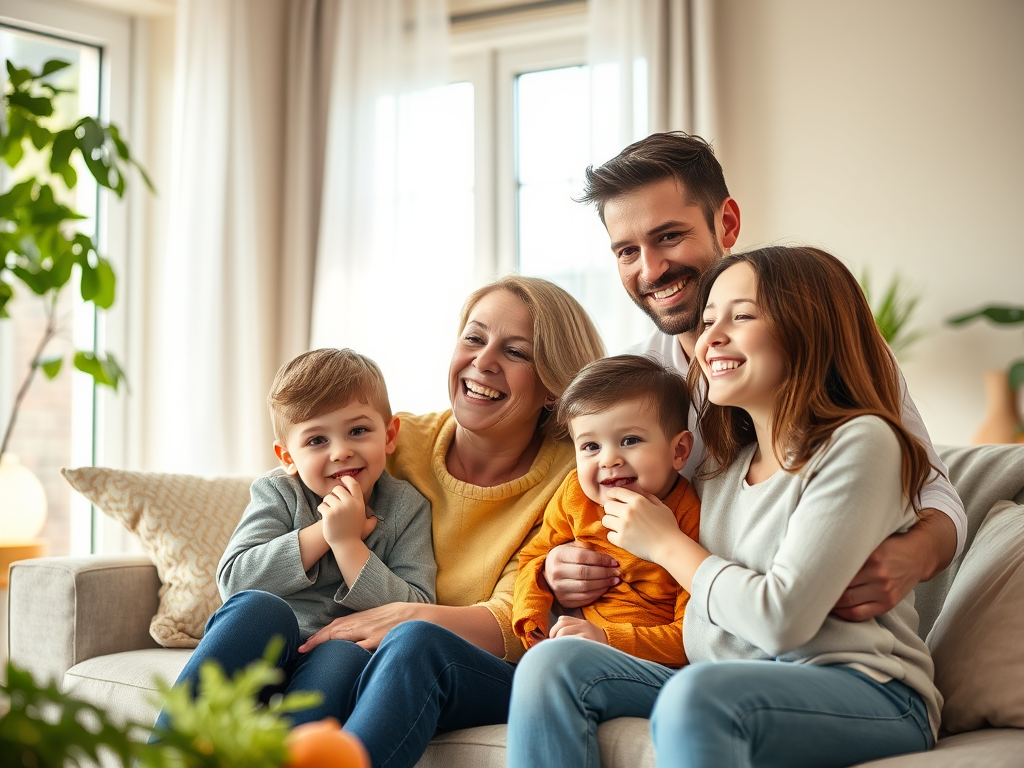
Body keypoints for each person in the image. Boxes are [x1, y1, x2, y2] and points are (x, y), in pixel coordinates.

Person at [545, 131, 966, 623]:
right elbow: (593, 507)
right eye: (626, 252)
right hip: (682, 629)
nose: (651, 269)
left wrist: (911, 557)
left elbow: (931, 490)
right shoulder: (635, 383)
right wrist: (561, 568)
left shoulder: (826, 356)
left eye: (669, 237)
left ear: (726, 223)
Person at [641, 246, 939, 765]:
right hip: (733, 680)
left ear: (809, 328)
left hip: (871, 691)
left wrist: (670, 546)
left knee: (697, 697)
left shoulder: (862, 443)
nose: (709, 338)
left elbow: (782, 621)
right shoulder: (726, 465)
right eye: (709, 320)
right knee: (557, 666)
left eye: (743, 316)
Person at [296, 275, 606, 768]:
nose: (483, 362)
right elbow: (291, 496)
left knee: (417, 643)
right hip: (373, 653)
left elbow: (516, 616)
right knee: (335, 657)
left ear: (552, 386)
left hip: (490, 669)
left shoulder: (577, 474)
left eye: (517, 352)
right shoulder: (393, 443)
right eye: (474, 338)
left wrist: (410, 616)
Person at [152, 348, 436, 734]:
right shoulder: (279, 492)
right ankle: (169, 753)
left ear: (389, 436)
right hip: (261, 646)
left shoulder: (408, 507)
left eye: (358, 431)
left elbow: (418, 610)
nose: (341, 451)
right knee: (258, 609)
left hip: (334, 656)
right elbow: (235, 579)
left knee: (344, 655)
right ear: (288, 456)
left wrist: (349, 545)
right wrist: (325, 533)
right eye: (317, 440)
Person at [507, 354, 701, 767]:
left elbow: (691, 638)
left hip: (652, 665)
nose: (607, 459)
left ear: (679, 450)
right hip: (574, 651)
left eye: (629, 440)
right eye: (590, 445)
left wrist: (607, 641)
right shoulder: (575, 494)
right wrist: (532, 626)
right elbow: (534, 558)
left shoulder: (687, 518)